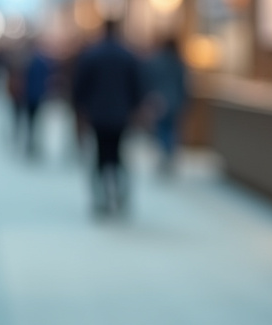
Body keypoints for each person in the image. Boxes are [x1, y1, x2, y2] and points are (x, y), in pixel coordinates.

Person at [73, 20, 145, 215]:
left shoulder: (92, 55)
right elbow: (137, 87)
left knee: (99, 156)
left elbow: (80, 88)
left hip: (98, 114)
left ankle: (100, 198)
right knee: (118, 155)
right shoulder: (127, 56)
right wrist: (136, 111)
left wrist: (80, 112)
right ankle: (121, 196)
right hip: (121, 115)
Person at [145, 37, 189, 173]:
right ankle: (168, 152)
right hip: (175, 100)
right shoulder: (178, 63)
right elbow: (184, 85)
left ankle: (165, 152)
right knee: (171, 128)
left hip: (160, 101)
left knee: (162, 128)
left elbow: (150, 81)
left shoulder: (156, 61)